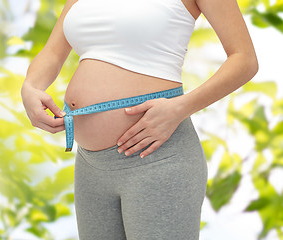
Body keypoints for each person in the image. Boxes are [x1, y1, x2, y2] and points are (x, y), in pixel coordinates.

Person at [21, 0, 258, 238]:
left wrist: (180, 107)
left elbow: (244, 59)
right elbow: (52, 52)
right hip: (90, 167)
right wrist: (31, 86)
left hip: (157, 160)